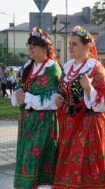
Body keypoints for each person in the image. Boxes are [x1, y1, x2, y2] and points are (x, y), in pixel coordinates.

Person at [53, 26, 105, 188]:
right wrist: (60, 100)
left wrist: (89, 88)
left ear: (87, 47)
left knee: (86, 164)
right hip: (69, 125)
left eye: (74, 44)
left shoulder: (95, 68)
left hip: (89, 125)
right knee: (69, 164)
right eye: (70, 44)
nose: (70, 47)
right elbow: (64, 93)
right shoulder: (67, 68)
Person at [11, 27, 61, 189]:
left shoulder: (53, 69)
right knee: (26, 157)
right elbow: (22, 86)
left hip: (44, 123)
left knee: (36, 158)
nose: (30, 48)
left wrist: (26, 98)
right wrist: (18, 92)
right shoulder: (29, 66)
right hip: (27, 122)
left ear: (45, 47)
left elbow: (53, 99)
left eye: (34, 44)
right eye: (29, 44)